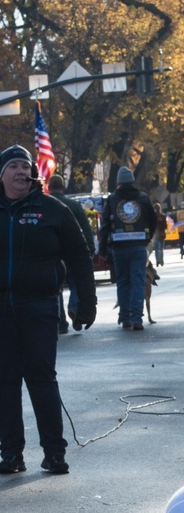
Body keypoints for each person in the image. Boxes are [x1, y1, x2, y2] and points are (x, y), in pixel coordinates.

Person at [0, 145, 97, 475]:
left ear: (33, 173)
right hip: (1, 312)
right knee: (5, 382)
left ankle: (55, 453)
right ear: (2, 174)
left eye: (25, 166)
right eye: (12, 166)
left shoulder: (52, 209)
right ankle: (11, 455)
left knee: (41, 380)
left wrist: (87, 302)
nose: (20, 172)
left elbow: (80, 257)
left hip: (40, 307)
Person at [100, 167, 157, 330]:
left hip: (118, 246)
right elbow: (152, 220)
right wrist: (148, 237)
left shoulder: (111, 200)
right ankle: (137, 318)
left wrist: (103, 249)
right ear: (132, 181)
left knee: (123, 282)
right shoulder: (143, 199)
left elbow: (104, 225)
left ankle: (125, 317)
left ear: (118, 182)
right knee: (138, 281)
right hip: (139, 245)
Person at [46, 173, 95, 333]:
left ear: (49, 187)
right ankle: (74, 306)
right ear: (63, 187)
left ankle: (60, 321)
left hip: (53, 254)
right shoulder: (73, 206)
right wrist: (90, 249)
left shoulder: (44, 204)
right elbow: (85, 229)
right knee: (74, 283)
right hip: (71, 253)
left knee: (56, 286)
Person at [152, 202, 168, 267]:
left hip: (155, 234)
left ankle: (157, 260)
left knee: (156, 249)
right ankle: (161, 260)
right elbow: (165, 226)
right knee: (161, 249)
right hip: (162, 234)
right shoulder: (163, 216)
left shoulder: (152, 217)